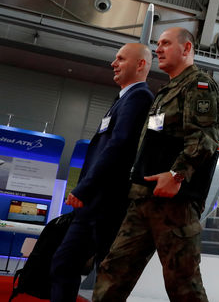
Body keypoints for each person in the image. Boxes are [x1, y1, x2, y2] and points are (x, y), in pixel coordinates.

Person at [93, 27, 219, 302]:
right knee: (112, 270)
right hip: (143, 198)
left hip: (174, 204)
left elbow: (205, 138)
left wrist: (177, 175)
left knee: (183, 284)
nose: (158, 49)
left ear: (186, 49)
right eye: (157, 44)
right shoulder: (165, 92)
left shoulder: (199, 85)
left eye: (165, 43)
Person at [50, 43, 154, 301]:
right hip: (93, 202)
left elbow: (119, 146)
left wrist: (84, 188)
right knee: (64, 265)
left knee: (106, 275)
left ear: (140, 64)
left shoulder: (140, 96)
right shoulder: (122, 98)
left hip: (106, 202)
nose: (113, 63)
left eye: (121, 58)